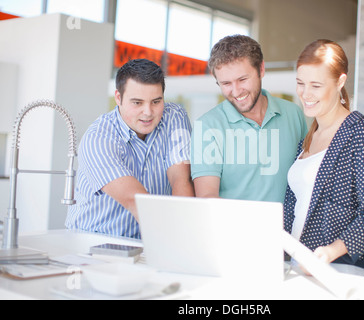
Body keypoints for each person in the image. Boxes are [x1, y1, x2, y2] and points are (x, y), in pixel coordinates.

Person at [283, 39, 364, 269]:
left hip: (335, 270)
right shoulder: (308, 139)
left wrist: (330, 252)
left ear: (340, 81)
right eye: (300, 83)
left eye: (316, 85)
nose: (305, 93)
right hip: (296, 266)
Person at [66, 59, 194, 239]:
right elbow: (137, 202)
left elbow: (181, 180)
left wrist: (186, 237)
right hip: (94, 242)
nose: (148, 112)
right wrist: (175, 241)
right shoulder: (98, 138)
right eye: (137, 103)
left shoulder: (174, 117)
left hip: (145, 242)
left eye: (156, 101)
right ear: (118, 98)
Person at [191, 35, 308, 203]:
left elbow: (305, 178)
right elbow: (207, 198)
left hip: (288, 229)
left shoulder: (294, 114)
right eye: (226, 84)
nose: (236, 91)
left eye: (242, 79)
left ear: (261, 69)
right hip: (235, 229)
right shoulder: (207, 126)